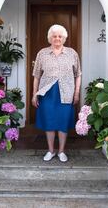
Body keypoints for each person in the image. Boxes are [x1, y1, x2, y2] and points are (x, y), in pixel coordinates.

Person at [32, 24, 82, 162]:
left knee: (63, 122)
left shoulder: (72, 53)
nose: (57, 39)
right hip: (47, 93)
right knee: (49, 121)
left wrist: (77, 93)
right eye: (54, 36)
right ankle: (51, 150)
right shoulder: (42, 53)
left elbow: (78, 74)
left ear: (64, 38)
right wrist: (34, 94)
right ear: (50, 38)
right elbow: (36, 75)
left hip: (66, 92)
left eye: (60, 36)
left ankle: (61, 151)